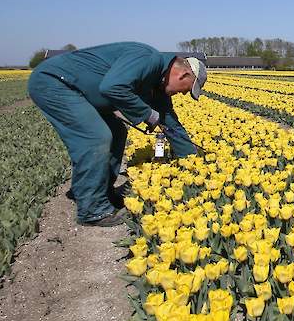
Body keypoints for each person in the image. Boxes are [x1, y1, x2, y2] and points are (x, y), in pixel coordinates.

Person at [28, 42, 207, 226]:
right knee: (96, 136)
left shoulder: (159, 83)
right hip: (56, 82)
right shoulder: (148, 59)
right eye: (187, 89)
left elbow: (169, 123)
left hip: (79, 90)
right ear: (183, 74)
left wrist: (191, 161)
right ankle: (92, 210)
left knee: (117, 131)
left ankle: (102, 191)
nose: (184, 94)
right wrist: (146, 113)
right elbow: (112, 87)